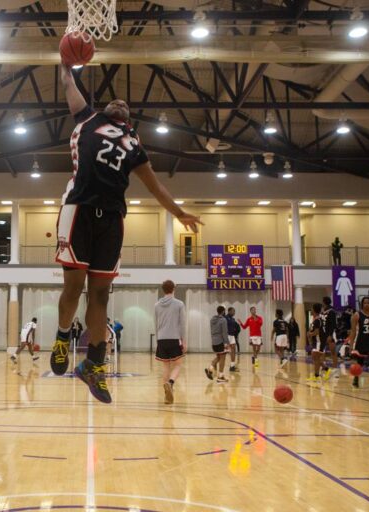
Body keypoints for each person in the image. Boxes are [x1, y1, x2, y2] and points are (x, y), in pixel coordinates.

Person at [49, 63, 201, 404]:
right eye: (114, 101)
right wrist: (65, 58)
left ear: (129, 119)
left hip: (113, 218)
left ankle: (94, 364)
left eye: (125, 104)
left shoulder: (134, 142)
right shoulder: (87, 117)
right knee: (74, 286)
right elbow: (66, 81)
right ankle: (61, 338)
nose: (120, 102)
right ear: (105, 110)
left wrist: (178, 213)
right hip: (79, 209)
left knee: (101, 296)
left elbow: (154, 184)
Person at [154, 280, 186, 404]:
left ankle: (167, 396)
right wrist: (184, 340)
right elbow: (183, 324)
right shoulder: (179, 304)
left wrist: (158, 340)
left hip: (161, 339)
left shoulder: (157, 305)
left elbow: (155, 324)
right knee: (178, 364)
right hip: (174, 338)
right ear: (173, 289)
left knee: (166, 366)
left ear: (163, 290)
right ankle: (171, 383)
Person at [205, 305, 229, 382]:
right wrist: (226, 342)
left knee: (218, 357)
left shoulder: (212, 319)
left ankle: (210, 368)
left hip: (214, 342)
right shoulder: (223, 320)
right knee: (223, 358)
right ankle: (220, 376)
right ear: (223, 311)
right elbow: (224, 332)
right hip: (220, 342)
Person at [321, 297, 339, 380]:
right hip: (323, 333)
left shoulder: (331, 311)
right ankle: (324, 369)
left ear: (324, 302)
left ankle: (335, 370)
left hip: (330, 333)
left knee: (333, 351)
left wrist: (330, 335)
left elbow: (333, 324)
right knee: (322, 351)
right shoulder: (323, 311)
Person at [307, 303, 326, 382]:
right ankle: (326, 369)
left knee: (316, 359)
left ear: (314, 310)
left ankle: (317, 376)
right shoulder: (316, 320)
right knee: (315, 358)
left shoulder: (318, 320)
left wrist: (310, 334)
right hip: (316, 342)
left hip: (319, 342)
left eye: (312, 308)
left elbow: (317, 332)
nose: (311, 310)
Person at [226, 307, 240, 371]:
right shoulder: (225, 318)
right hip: (227, 336)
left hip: (232, 336)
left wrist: (236, 334)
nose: (234, 312)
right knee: (224, 352)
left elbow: (237, 327)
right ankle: (214, 364)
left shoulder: (233, 319)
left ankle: (232, 366)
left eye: (234, 311)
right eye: (233, 311)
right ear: (229, 311)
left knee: (233, 350)